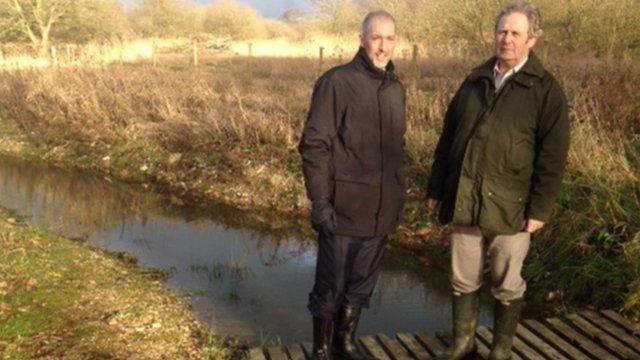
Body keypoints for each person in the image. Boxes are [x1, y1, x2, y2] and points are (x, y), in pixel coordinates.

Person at [424, 3, 570, 359]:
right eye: (501, 32)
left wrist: (539, 209)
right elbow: (448, 139)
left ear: (531, 40)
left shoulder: (546, 92)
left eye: (515, 33)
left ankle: (500, 351)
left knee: (507, 283)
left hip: (512, 206)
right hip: (464, 198)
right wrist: (435, 188)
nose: (506, 39)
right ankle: (464, 343)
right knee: (462, 278)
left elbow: (552, 159)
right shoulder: (473, 81)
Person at [298, 10, 406, 360]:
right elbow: (315, 145)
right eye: (376, 37)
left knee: (361, 286)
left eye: (390, 38)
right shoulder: (337, 82)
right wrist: (320, 201)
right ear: (362, 39)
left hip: (380, 211)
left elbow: (395, 148)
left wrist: (396, 196)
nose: (383, 46)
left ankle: (345, 344)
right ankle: (321, 349)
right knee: (330, 286)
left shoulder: (395, 88)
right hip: (342, 209)